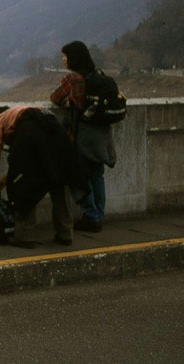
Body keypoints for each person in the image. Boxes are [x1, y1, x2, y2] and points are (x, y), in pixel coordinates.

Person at [0, 105, 82, 248]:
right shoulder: (28, 112)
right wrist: (2, 183)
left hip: (31, 136)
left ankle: (25, 236)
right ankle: (65, 234)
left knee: (24, 186)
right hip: (56, 133)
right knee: (58, 181)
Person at [50, 40, 117, 232]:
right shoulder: (97, 76)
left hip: (83, 135)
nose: (63, 60)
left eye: (65, 56)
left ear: (74, 57)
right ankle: (98, 216)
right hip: (101, 133)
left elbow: (55, 98)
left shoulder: (73, 78)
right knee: (97, 175)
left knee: (79, 176)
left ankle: (91, 216)